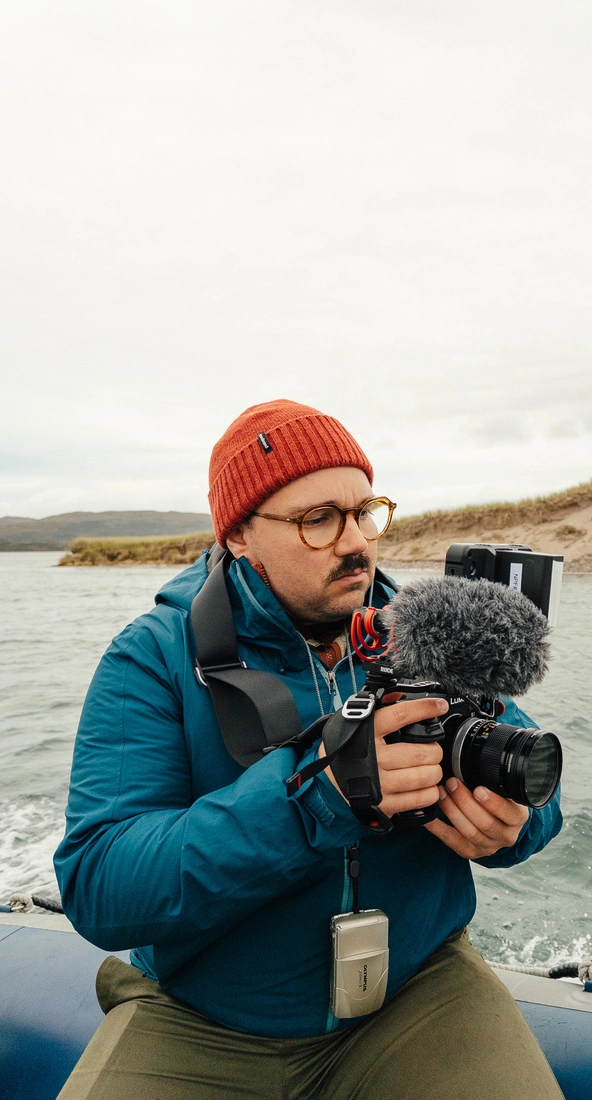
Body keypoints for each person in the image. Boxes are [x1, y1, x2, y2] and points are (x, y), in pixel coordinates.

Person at [54, 399, 566, 1100]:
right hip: (205, 1015)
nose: (355, 541)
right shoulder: (151, 658)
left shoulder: (425, 631)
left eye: (364, 512)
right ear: (238, 535)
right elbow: (101, 886)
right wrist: (317, 797)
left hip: (418, 992)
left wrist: (512, 826)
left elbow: (526, 773)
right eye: (317, 519)